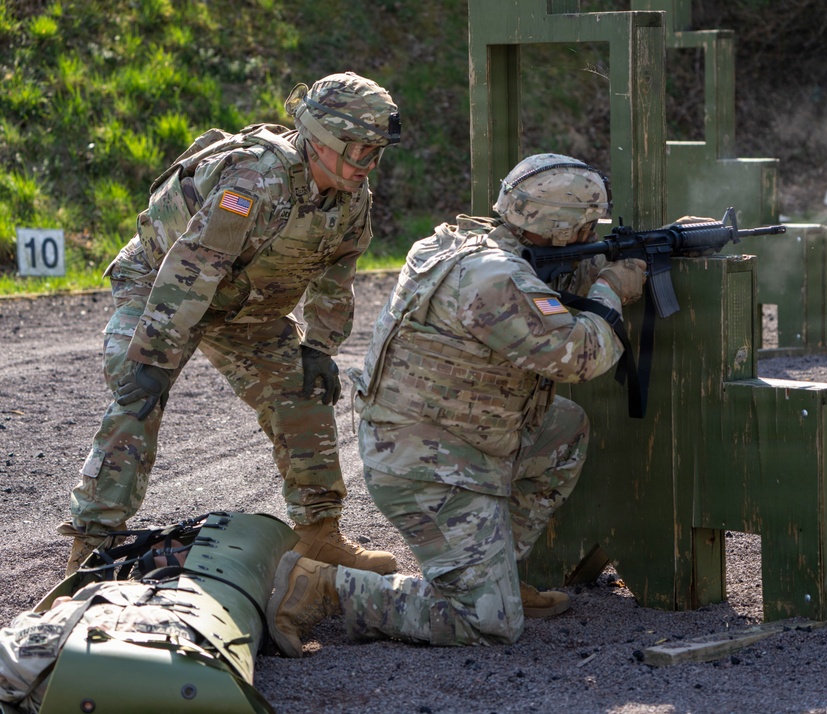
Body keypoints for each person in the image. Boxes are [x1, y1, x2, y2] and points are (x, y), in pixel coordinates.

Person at [264, 153, 649, 653]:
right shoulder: (493, 279)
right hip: (428, 466)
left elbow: (548, 289)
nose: (587, 236)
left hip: (443, 442)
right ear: (558, 230)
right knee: (488, 625)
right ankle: (327, 587)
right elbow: (578, 356)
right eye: (582, 227)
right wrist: (611, 290)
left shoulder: (463, 243)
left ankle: (496, 577)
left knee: (563, 428)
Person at [60, 72, 402, 578]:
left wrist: (321, 348)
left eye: (376, 153)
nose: (367, 164)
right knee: (138, 395)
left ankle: (319, 536)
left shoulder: (353, 199)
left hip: (246, 305)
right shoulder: (255, 180)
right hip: (162, 285)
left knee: (303, 392)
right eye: (358, 150)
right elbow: (194, 266)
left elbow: (338, 269)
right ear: (322, 141)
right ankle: (91, 549)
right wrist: (154, 354)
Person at [1, 512, 299, 712]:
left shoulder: (114, 593)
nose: (164, 551)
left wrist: (65, 607)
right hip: (176, 645)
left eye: (170, 550)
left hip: (83, 643)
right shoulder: (210, 601)